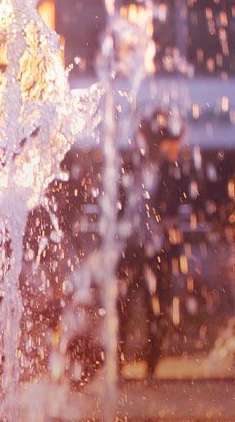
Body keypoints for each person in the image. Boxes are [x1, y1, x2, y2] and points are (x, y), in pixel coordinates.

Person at [117, 108, 186, 379]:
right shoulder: (131, 167)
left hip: (156, 248)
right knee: (124, 304)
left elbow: (176, 207)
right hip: (132, 247)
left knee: (155, 306)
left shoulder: (170, 172)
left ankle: (151, 365)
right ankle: (120, 362)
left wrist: (165, 224)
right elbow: (121, 205)